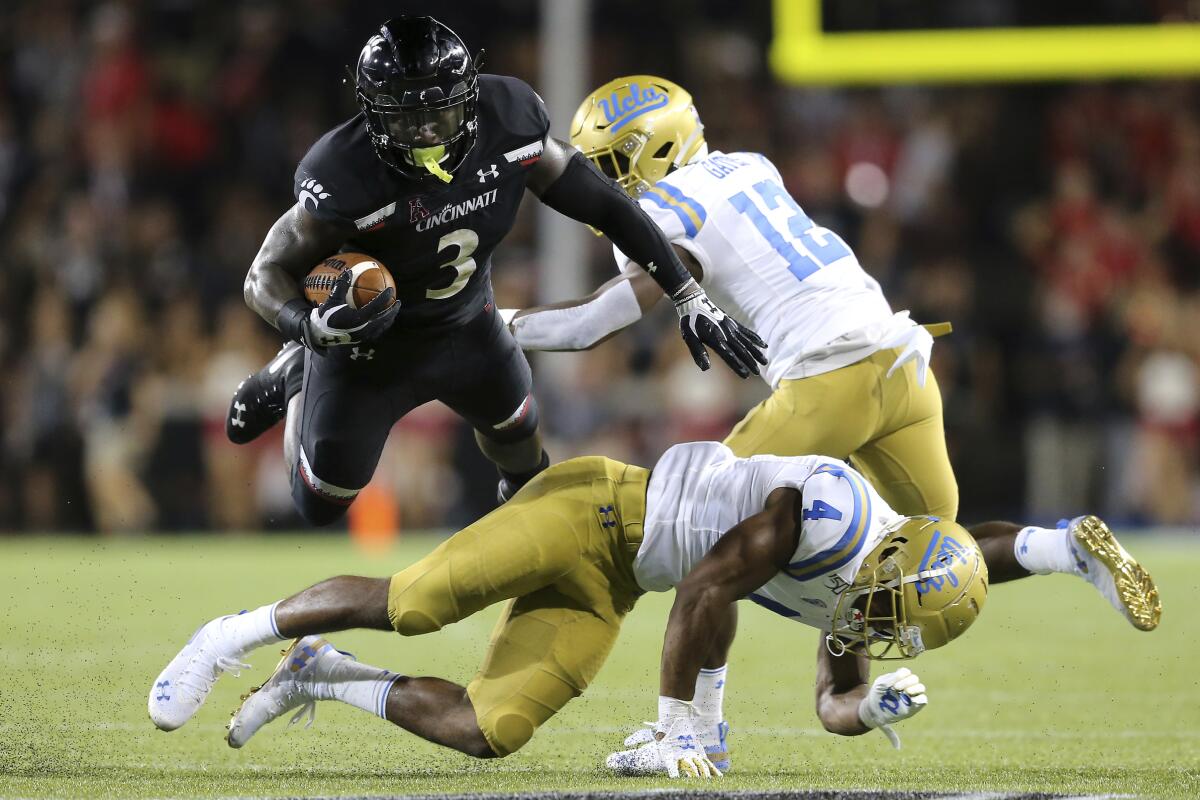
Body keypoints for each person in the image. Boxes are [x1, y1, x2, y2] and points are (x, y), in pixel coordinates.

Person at [500, 75, 1163, 774]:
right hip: (902, 363)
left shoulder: (665, 206)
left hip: (827, 378)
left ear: (651, 150)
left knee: (704, 529)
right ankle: (1065, 550)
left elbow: (587, 326)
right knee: (922, 550)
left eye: (606, 164)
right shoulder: (748, 164)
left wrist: (492, 326)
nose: (597, 183)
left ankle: (696, 731)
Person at [150, 441, 989, 778]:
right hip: (593, 509)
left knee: (491, 730)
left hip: (617, 580)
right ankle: (229, 635)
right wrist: (679, 723)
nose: (874, 624)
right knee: (415, 604)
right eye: (889, 609)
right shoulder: (830, 510)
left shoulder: (872, 587)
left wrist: (869, 705)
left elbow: (829, 702)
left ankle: (320, 676)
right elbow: (706, 589)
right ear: (897, 558)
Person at [225, 23, 764, 525]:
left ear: (469, 95)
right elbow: (264, 276)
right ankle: (295, 374)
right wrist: (308, 329)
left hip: (465, 323)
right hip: (371, 349)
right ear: (371, 113)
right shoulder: (342, 173)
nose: (425, 133)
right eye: (405, 118)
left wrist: (686, 290)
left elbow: (605, 204)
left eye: (438, 113)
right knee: (319, 501)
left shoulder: (508, 117)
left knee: (526, 459)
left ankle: (521, 571)